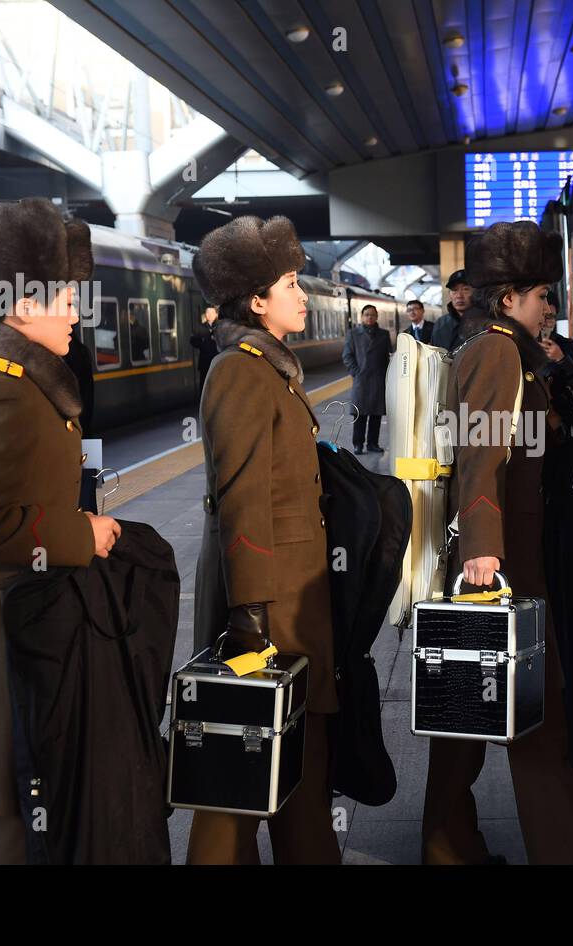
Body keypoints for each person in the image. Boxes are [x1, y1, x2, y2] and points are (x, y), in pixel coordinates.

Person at [0, 198, 121, 863]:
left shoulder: (0, 374)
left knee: (28, 797)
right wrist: (82, 533)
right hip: (1, 624)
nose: (76, 310)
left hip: (13, 615)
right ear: (21, 305)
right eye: (65, 296)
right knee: (19, 806)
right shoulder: (4, 388)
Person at [422, 220, 573, 865]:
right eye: (541, 295)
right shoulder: (497, 352)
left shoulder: (506, 350)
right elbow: (481, 453)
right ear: (509, 300)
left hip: (510, 551)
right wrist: (483, 550)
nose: (549, 307)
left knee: (467, 714)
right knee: (537, 720)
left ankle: (447, 843)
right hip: (505, 561)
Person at [188, 214, 341, 865]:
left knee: (292, 762)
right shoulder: (241, 373)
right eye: (289, 281)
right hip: (267, 608)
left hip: (285, 598)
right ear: (255, 299)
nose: (302, 294)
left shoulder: (269, 367)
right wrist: (249, 622)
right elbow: (242, 502)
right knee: (242, 775)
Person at [341, 303, 390, 454]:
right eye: (367, 314)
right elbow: (347, 355)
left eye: (373, 315)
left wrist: (387, 376)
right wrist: (357, 372)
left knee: (376, 415)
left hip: (378, 379)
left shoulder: (384, 334)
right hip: (361, 380)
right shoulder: (353, 333)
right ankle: (358, 444)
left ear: (377, 317)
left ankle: (373, 444)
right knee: (359, 415)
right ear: (362, 317)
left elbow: (387, 356)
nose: (370, 317)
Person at [538, 290, 573, 431]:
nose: (546, 323)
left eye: (551, 317)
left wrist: (562, 359)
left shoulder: (566, 346)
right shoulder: (522, 345)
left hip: (560, 426)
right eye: (543, 316)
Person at [430, 269, 472, 351]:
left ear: (476, 292)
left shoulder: (487, 323)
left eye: (466, 289)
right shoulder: (440, 324)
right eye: (454, 290)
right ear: (450, 294)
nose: (459, 295)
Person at [190, 305, 220, 388]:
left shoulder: (220, 327)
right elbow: (192, 341)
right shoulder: (200, 327)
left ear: (216, 314)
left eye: (211, 312)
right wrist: (202, 343)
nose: (209, 314)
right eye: (207, 312)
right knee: (204, 386)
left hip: (218, 361)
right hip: (204, 363)